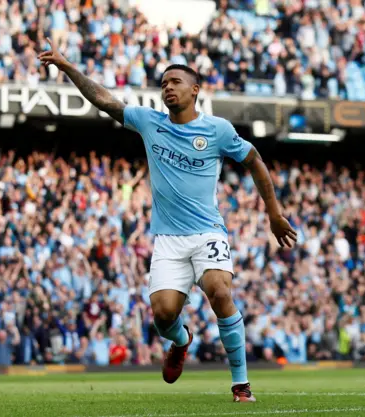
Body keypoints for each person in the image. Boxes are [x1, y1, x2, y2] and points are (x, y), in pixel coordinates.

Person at [39, 37, 297, 403]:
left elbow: (254, 160)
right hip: (168, 239)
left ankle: (241, 385)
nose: (167, 88)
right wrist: (67, 68)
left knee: (220, 291)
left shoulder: (217, 130)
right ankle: (181, 340)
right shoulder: (149, 122)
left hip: (207, 230)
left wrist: (274, 213)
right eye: (163, 84)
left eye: (175, 82)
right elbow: (104, 100)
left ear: (195, 90)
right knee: (162, 315)